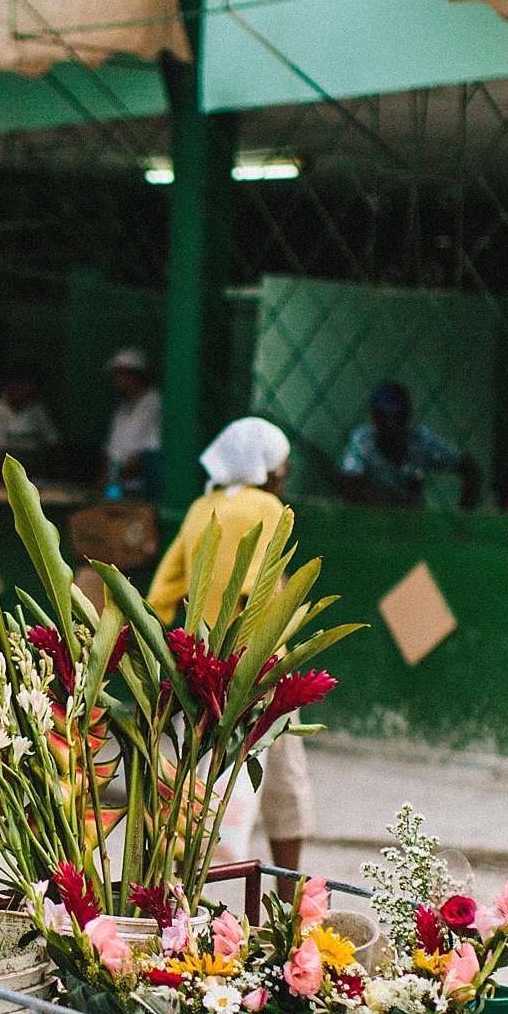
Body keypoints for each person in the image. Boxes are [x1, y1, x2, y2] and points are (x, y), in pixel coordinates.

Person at [148, 416, 316, 872]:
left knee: (193, 787)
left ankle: (182, 900)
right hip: (259, 669)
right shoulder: (270, 510)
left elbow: (162, 593)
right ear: (268, 470)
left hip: (200, 667)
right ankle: (289, 900)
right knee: (285, 785)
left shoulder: (199, 510)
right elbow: (269, 593)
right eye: (280, 469)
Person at [341, 381, 481, 511]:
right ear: (373, 417)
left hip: (412, 524)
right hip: (369, 520)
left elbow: (470, 469)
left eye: (396, 416)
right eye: (382, 416)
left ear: (407, 416)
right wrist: (394, 504)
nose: (390, 423)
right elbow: (350, 485)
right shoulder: (363, 438)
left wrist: (463, 518)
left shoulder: (421, 439)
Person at [102, 348, 161, 499]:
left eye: (121, 374)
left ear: (135, 375)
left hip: (142, 489)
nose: (116, 379)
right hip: (116, 488)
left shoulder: (155, 403)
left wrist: (116, 474)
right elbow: (110, 450)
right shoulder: (122, 408)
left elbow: (149, 453)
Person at [0, 372, 59, 465]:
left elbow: (53, 441)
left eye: (31, 394)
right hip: (1, 470)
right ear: (11, 388)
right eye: (24, 392)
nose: (28, 398)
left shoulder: (37, 411)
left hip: (36, 469)